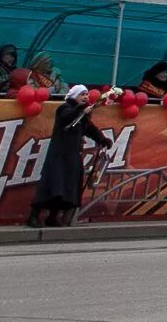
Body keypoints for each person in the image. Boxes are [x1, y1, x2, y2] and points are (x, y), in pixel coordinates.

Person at [28, 85, 109, 228]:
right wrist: (81, 110)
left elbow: (89, 128)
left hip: (72, 156)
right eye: (82, 94)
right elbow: (67, 117)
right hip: (58, 155)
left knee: (67, 188)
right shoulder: (64, 109)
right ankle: (33, 216)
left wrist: (102, 139)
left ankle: (52, 217)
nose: (85, 97)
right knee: (52, 185)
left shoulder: (83, 114)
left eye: (86, 95)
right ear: (74, 96)